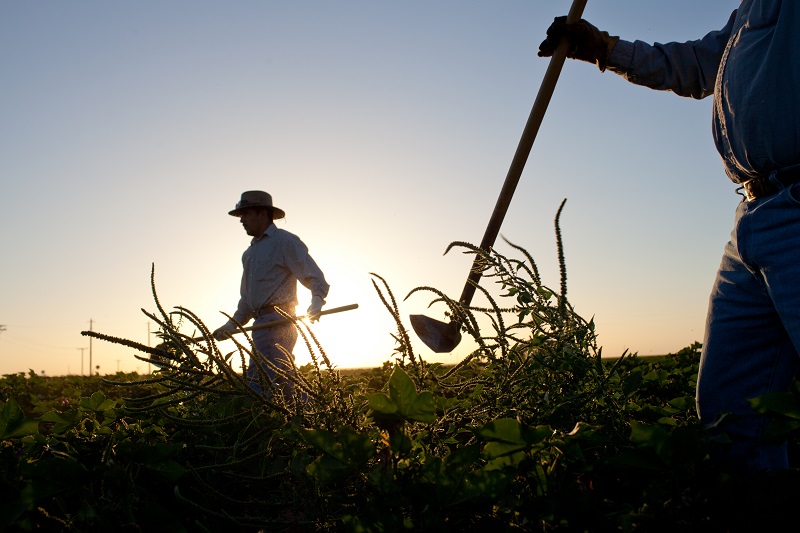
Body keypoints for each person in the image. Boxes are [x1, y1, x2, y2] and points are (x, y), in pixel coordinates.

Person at [538, 2, 800, 473]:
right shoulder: (749, 10)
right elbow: (702, 66)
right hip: (753, 213)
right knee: (730, 415)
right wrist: (606, 49)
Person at [213, 190, 329, 399]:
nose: (242, 221)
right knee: (282, 383)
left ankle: (299, 420)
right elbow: (247, 302)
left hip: (278, 321)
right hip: (261, 324)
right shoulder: (249, 255)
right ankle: (315, 417)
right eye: (240, 216)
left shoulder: (284, 241)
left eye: (246, 214)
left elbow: (313, 275)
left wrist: (317, 301)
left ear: (262, 213)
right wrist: (230, 326)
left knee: (261, 385)